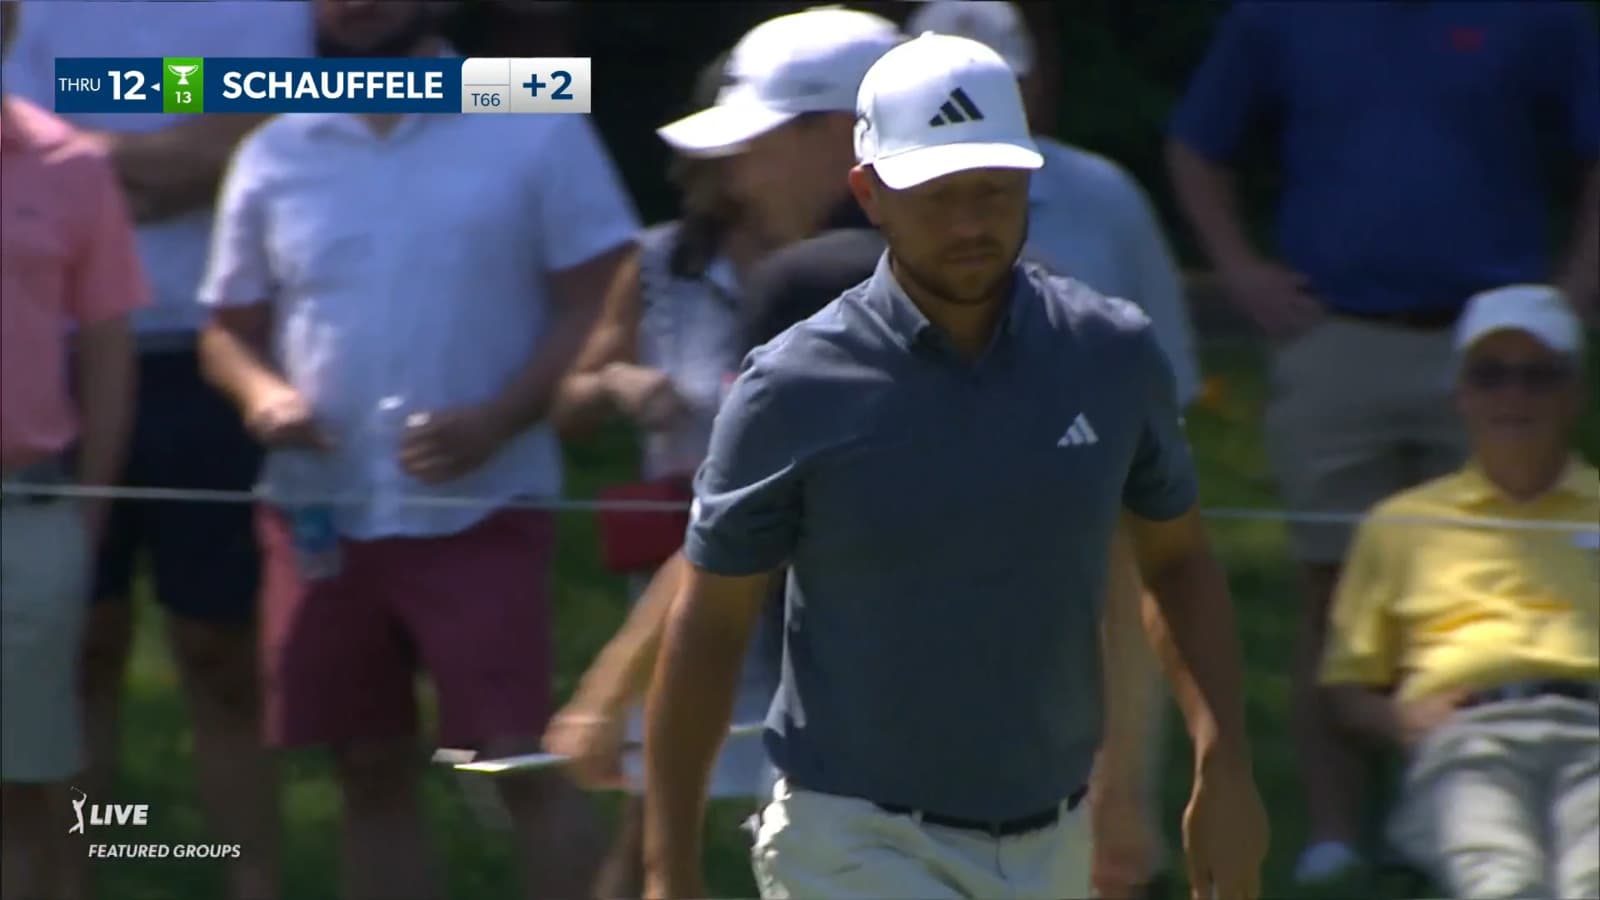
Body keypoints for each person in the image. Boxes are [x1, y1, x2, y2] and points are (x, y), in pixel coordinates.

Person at [642, 33, 1269, 900]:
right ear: (870, 193)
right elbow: (709, 626)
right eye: (937, 196)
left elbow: (1177, 559)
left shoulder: (1109, 352)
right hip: (851, 836)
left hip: (1052, 836)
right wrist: (667, 871)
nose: (972, 223)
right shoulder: (792, 385)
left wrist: (1223, 763)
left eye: (994, 192)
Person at [196, 2, 639, 898]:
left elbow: (603, 293)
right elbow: (226, 328)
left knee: (513, 759)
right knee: (366, 765)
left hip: (484, 503)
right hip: (323, 509)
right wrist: (263, 394)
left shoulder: (529, 122)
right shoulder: (277, 145)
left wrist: (508, 414)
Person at [1166, 2, 1600, 881]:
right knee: (1332, 587)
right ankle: (1335, 833)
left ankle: (1469, 813)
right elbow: (1195, 145)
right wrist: (1242, 270)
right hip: (1338, 336)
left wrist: (1577, 294)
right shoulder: (1280, 16)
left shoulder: (1540, 14)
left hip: (1497, 347)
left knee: (1502, 570)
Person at [3, 4, 312, 894]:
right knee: (78, 650)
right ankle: (79, 876)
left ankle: (248, 881)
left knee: (221, 654)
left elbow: (251, 147)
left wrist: (93, 161)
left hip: (211, 356)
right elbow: (42, 148)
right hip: (53, 359)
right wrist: (161, 160)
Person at [905, 2, 1202, 894]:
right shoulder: (877, 207)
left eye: (993, 83)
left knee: (1104, 822)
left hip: (1092, 539)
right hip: (922, 550)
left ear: (1035, 83)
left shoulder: (1107, 196)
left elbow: (1167, 383)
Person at [1320, 284, 1598, 899]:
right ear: (1460, 394)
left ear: (1574, 393)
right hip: (1468, 737)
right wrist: (1397, 717)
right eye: (1490, 376)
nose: (1513, 395)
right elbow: (1345, 684)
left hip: (1596, 730)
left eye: (1537, 377)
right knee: (1499, 879)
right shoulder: (1400, 523)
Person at [1, 2, 144, 896]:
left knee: (24, 784)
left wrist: (85, 516)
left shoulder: (71, 165)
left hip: (28, 513)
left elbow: (107, 353)